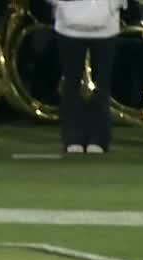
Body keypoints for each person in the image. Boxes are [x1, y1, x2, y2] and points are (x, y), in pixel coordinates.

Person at [52, 0, 126, 154]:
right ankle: (72, 137)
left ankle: (99, 138)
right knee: (71, 82)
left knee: (103, 84)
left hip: (106, 28)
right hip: (68, 28)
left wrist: (110, 7)